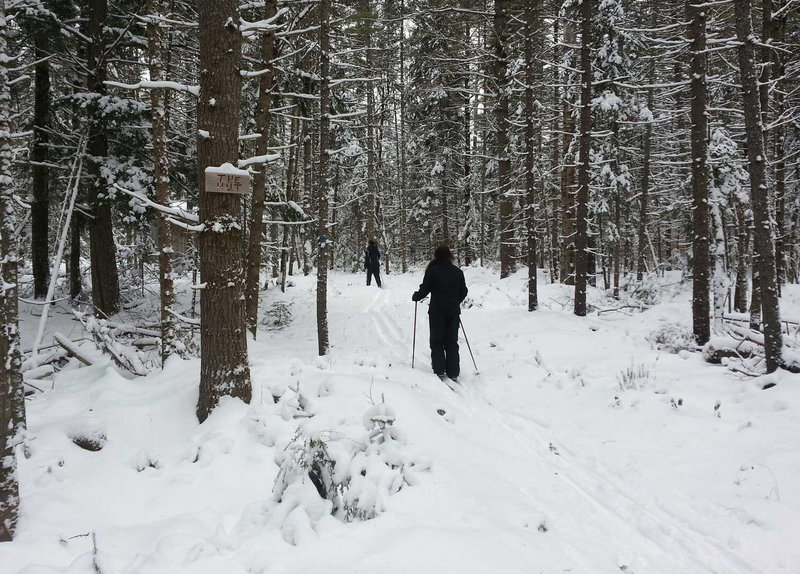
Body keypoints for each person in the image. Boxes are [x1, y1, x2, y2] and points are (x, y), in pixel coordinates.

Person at [412, 245, 468, 382]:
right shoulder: (457, 272)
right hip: (453, 311)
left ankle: (439, 369)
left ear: (436, 256)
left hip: (437, 311)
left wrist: (416, 296)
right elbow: (464, 291)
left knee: (437, 340)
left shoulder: (433, 270)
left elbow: (425, 289)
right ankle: (453, 371)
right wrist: (455, 301)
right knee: (451, 341)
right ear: (449, 256)